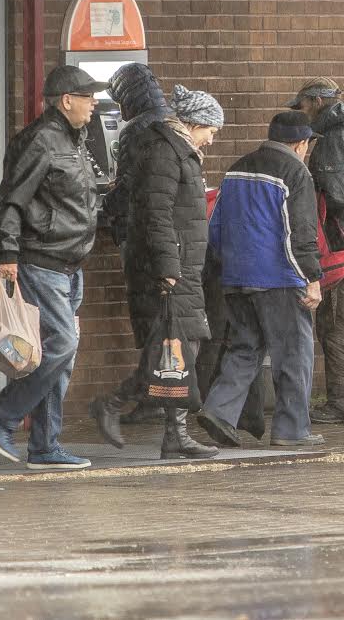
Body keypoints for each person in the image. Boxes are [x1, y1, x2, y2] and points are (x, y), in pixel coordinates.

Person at [0, 65, 106, 470]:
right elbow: (11, 202)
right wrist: (7, 256)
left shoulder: (75, 140)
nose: (94, 103)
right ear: (67, 100)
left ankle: (46, 446)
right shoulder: (41, 142)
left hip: (70, 265)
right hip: (41, 262)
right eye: (88, 97)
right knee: (61, 344)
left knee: (61, 356)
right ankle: (1, 416)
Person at [90, 84, 225, 460]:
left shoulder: (178, 151)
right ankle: (116, 404)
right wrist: (168, 268)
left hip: (182, 265)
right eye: (211, 130)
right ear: (195, 122)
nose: (212, 139)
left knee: (181, 348)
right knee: (175, 349)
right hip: (171, 268)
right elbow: (157, 214)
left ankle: (174, 433)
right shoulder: (166, 153)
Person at [196, 111, 325, 449]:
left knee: (245, 346)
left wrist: (228, 265)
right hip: (278, 278)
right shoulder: (296, 172)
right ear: (300, 143)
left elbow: (217, 224)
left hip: (236, 276)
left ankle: (219, 410)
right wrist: (311, 277)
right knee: (294, 353)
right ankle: (291, 429)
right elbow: (300, 232)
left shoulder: (238, 166)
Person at [290, 77, 344, 426]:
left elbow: (339, 196)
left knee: (341, 327)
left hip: (343, 247)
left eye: (301, 107)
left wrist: (309, 187)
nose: (301, 115)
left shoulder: (335, 138)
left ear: (315, 101)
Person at [97, 63, 176, 427]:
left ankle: (149, 397)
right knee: (165, 321)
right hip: (167, 237)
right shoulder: (170, 122)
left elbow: (127, 186)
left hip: (140, 236)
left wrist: (106, 207)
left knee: (148, 319)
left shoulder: (136, 131)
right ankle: (162, 397)